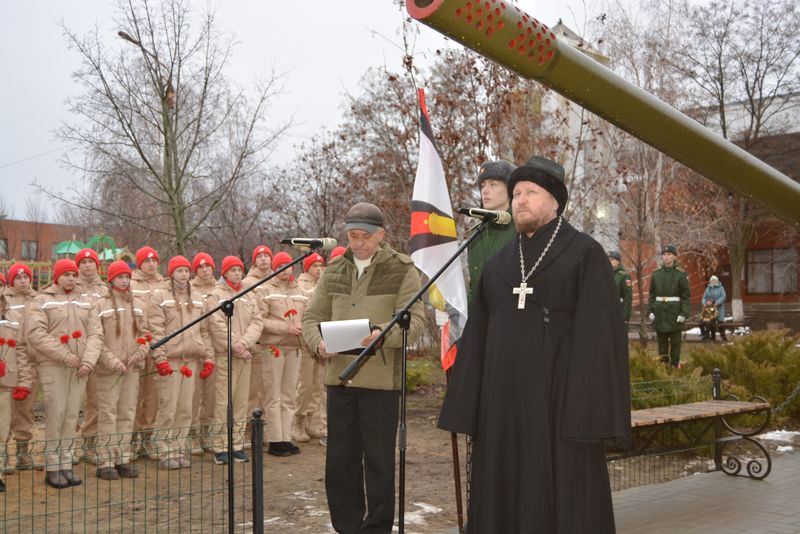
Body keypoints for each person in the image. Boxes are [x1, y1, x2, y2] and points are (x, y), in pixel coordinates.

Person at [438, 156, 631, 533]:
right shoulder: (499, 264)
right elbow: (477, 337)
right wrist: (469, 404)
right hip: (502, 412)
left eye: (531, 192)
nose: (520, 200)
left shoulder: (584, 254)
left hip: (558, 411)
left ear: (555, 202)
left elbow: (600, 340)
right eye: (516, 193)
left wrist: (586, 409)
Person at [303, 202, 425, 534]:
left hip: (380, 384)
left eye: (365, 236)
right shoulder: (334, 270)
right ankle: (346, 526)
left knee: (378, 463)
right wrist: (318, 343)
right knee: (340, 463)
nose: (358, 243)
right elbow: (311, 317)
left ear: (381, 235)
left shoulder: (402, 269)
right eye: (352, 236)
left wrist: (382, 334)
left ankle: (376, 528)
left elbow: (415, 322)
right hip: (339, 381)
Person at [26, 259, 101, 489]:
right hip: (54, 366)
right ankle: (52, 467)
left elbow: (96, 334)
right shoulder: (41, 301)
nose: (71, 278)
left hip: (80, 367)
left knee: (71, 416)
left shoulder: (87, 301)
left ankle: (67, 463)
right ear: (56, 276)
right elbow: (36, 334)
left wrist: (88, 361)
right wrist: (64, 355)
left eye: (73, 274)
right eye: (66, 274)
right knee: (56, 414)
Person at [148, 256, 215, 470]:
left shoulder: (197, 297)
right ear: (171, 273)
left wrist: (208, 356)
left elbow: (204, 330)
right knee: (168, 407)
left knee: (186, 408)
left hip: (191, 359)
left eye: (187, 271)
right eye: (179, 271)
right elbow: (156, 329)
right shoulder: (159, 296)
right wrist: (160, 358)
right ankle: (164, 450)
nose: (184, 275)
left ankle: (178, 448)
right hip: (171, 359)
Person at [85, 260, 147, 480]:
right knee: (108, 414)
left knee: (127, 412)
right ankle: (105, 460)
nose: (124, 280)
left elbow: (145, 334)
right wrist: (113, 361)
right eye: (120, 277)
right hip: (109, 370)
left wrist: (140, 352)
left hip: (131, 368)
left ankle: (122, 457)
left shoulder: (137, 303)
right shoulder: (99, 305)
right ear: (110, 279)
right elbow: (96, 339)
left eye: (127, 276)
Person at [206, 256, 264, 465]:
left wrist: (245, 343)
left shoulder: (248, 294)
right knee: (224, 402)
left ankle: (236, 444)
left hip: (244, 354)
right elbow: (216, 325)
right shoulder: (216, 295)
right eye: (233, 270)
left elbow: (257, 321)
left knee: (241, 401)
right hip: (226, 355)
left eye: (240, 270)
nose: (237, 273)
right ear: (224, 273)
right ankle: (221, 446)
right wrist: (236, 345)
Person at [260, 251, 308, 457]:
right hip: (274, 347)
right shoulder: (265, 289)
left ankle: (286, 437)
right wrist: (284, 328)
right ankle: (274, 439)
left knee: (289, 395)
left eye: (288, 265)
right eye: (280, 266)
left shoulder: (300, 291)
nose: (285, 269)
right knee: (273, 395)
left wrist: (302, 328)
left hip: (294, 348)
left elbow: (308, 315)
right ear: (274, 268)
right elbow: (260, 320)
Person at [131, 246, 170, 460]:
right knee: (133, 397)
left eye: (154, 260)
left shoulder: (164, 285)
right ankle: (130, 440)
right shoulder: (129, 283)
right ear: (139, 264)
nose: (151, 264)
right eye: (146, 261)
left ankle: (147, 441)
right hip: (136, 345)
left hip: (157, 344)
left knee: (152, 397)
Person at [75, 247, 110, 465]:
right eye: (83, 263)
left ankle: (89, 444)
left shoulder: (105, 290)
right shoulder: (70, 285)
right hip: (75, 352)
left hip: (98, 352)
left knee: (96, 401)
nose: (88, 266)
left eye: (91, 262)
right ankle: (68, 447)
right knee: (72, 403)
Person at [0, 273, 34, 492]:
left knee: (2, 426)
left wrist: (24, 380)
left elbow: (20, 349)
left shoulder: (12, 315)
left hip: (6, 379)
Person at [5, 263, 40, 471]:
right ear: (11, 281)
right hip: (9, 361)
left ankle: (22, 453)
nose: (23, 281)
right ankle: (4, 455)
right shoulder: (5, 300)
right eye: (18, 278)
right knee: (5, 410)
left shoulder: (38, 299)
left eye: (26, 277)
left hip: (32, 362)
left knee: (25, 410)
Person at [467, 160, 516, 306]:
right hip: (480, 321)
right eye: (483, 185)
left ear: (510, 189)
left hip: (511, 317)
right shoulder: (476, 234)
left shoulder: (522, 229)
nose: (485, 191)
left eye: (493, 184)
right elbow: (474, 287)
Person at [293, 252, 327, 447]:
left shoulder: (321, 283)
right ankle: (297, 421)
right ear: (307, 267)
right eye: (314, 266)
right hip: (307, 341)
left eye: (320, 266)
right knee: (305, 384)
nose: (318, 269)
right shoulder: (302, 285)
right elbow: (308, 307)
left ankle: (309, 420)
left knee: (317, 384)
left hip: (322, 339)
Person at [243, 244, 273, 439]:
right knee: (252, 389)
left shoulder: (276, 279)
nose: (263, 259)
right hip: (255, 343)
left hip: (272, 343)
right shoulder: (247, 283)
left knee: (268, 388)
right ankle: (249, 428)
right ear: (254, 260)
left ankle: (265, 429)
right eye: (259, 256)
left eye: (266, 256)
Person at [189, 252, 218, 454]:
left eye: (208, 266)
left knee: (211, 395)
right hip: (197, 347)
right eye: (200, 267)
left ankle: (207, 432)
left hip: (217, 347)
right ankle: (192, 435)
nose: (205, 270)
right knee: (194, 395)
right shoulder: (190, 290)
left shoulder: (219, 289)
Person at [648, 245, 692, 367]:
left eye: (669, 254)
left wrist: (683, 313)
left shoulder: (680, 274)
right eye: (664, 254)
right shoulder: (656, 274)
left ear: (674, 257)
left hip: (674, 314)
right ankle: (663, 369)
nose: (666, 257)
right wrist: (650, 310)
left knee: (675, 344)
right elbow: (651, 294)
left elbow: (686, 296)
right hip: (660, 314)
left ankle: (674, 367)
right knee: (662, 344)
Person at [608, 250, 633, 322]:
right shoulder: (605, 275)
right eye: (608, 260)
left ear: (618, 261)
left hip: (619, 311)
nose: (609, 261)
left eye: (612, 259)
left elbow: (628, 298)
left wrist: (626, 317)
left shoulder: (624, 276)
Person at [702, 275, 728, 341]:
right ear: (710, 281)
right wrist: (704, 303)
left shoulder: (721, 288)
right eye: (712, 280)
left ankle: (723, 337)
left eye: (715, 280)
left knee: (720, 323)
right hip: (710, 309)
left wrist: (717, 302)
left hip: (719, 308)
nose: (713, 281)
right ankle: (712, 337)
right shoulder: (708, 289)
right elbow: (704, 298)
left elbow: (723, 296)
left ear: (717, 281)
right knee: (711, 322)